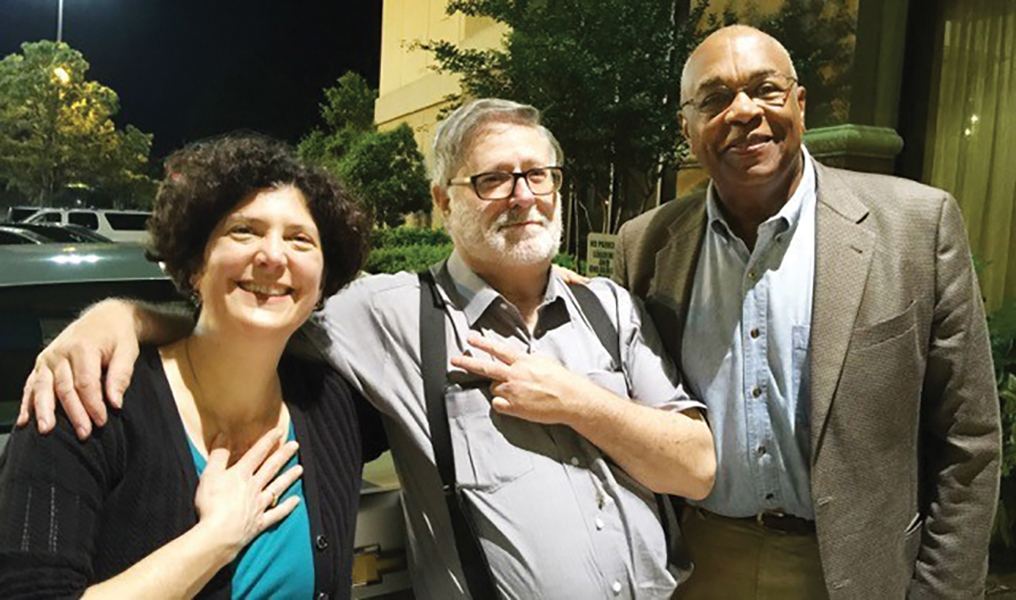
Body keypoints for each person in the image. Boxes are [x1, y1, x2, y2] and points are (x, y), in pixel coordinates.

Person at [18, 99, 715, 599]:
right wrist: (115, 316)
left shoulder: (607, 307)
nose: (523, 195)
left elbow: (697, 469)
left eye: (539, 175)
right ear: (444, 203)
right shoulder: (385, 316)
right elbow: (246, 320)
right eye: (492, 178)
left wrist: (580, 404)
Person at [611, 25, 1001, 599]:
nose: (743, 112)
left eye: (766, 90)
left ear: (800, 102)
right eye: (715, 99)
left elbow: (970, 441)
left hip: (857, 571)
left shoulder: (917, 227)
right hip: (697, 564)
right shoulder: (645, 247)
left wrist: (942, 591)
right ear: (687, 129)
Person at [0, 135, 384, 599]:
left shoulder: (332, 405)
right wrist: (215, 538)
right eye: (244, 230)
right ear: (194, 265)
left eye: (300, 239)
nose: (274, 255)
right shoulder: (85, 406)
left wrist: (129, 313)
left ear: (323, 282)